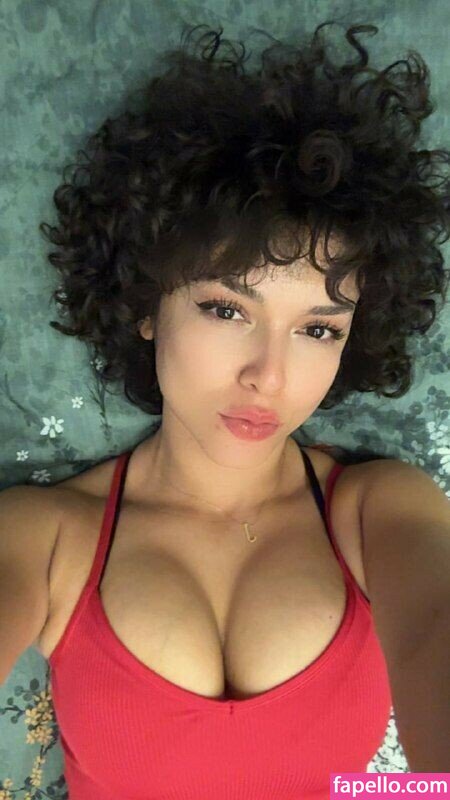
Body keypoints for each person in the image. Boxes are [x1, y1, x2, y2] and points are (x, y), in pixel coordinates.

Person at [1, 19, 449, 799]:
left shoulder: (380, 511)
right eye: (226, 309)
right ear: (147, 305)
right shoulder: (46, 536)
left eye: (317, 329)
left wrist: (404, 792)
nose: (268, 376)